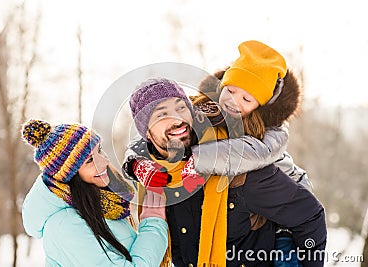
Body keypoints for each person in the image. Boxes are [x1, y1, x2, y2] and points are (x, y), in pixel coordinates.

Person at [123, 75, 326, 266]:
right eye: (161, 114)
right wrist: (134, 164)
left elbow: (309, 215)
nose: (178, 119)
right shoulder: (153, 178)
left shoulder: (237, 167)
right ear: (146, 132)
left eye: (181, 107)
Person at [21, 119, 168, 266]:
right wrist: (153, 224)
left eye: (100, 150)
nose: (104, 161)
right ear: (69, 176)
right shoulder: (65, 227)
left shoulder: (102, 205)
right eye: (90, 160)